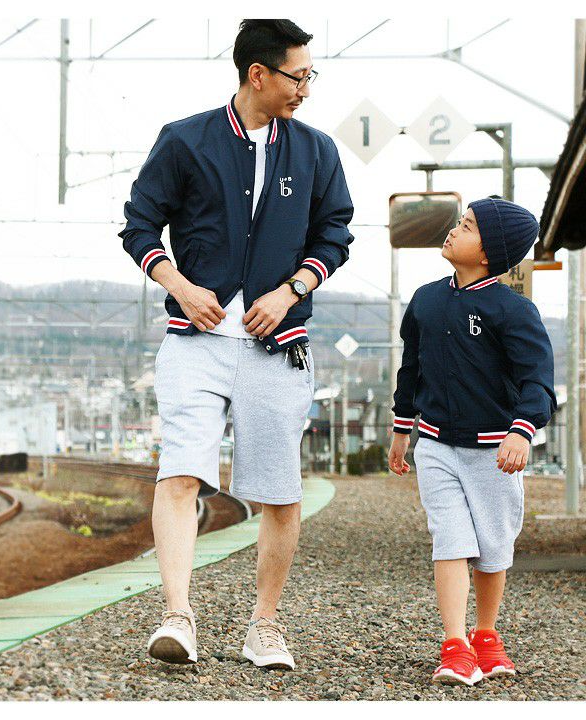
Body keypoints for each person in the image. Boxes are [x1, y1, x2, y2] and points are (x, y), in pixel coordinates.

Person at [119, 19, 354, 670]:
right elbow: (139, 225)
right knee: (180, 475)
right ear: (258, 74)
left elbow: (335, 234)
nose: (306, 88)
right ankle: (177, 615)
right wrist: (179, 285)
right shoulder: (184, 140)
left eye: (310, 75)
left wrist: (290, 292)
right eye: (298, 75)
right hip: (193, 342)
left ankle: (264, 626)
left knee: (279, 492)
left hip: (279, 346)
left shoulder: (316, 151)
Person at [388, 197, 557, 686]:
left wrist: (522, 430)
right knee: (450, 539)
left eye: (465, 227)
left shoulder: (514, 310)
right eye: (458, 222)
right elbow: (411, 369)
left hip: (495, 452)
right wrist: (402, 428)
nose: (452, 230)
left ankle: (485, 634)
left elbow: (537, 379)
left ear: (489, 252)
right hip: (436, 445)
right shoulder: (425, 300)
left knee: (492, 545)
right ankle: (455, 645)